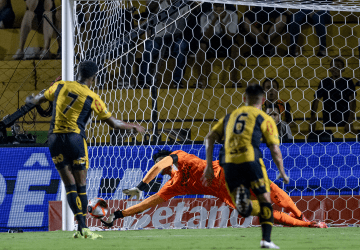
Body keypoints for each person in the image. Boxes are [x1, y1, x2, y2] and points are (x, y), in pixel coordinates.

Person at [25, 61, 146, 239]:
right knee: (81, 186)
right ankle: (85, 228)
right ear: (93, 78)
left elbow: (37, 99)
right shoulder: (92, 97)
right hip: (75, 139)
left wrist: (31, 99)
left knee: (69, 186)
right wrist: (133, 126)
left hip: (54, 139)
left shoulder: (60, 86)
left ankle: (81, 228)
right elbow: (113, 123)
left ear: (78, 73)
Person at [101, 150, 326, 229]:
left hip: (225, 173)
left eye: (162, 162)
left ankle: (302, 218)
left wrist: (140, 186)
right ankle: (307, 223)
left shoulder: (179, 157)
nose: (162, 166)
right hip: (226, 188)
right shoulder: (172, 186)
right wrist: (119, 214)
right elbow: (149, 203)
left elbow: (160, 164)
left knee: (268, 197)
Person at [203, 84, 290, 249]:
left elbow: (209, 138)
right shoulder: (264, 117)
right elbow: (274, 148)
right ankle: (266, 240)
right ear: (263, 100)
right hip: (250, 160)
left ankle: (242, 198)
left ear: (244, 99)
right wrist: (282, 172)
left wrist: (208, 166)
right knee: (264, 198)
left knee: (243, 210)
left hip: (227, 162)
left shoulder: (230, 116)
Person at [138, 0, 190, 88]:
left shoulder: (183, 4)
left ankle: (177, 81)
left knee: (182, 46)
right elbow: (149, 8)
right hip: (158, 37)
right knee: (149, 47)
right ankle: (144, 81)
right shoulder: (159, 3)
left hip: (175, 37)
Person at [195, 3, 240, 88]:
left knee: (235, 46)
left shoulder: (232, 15)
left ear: (225, 6)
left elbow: (230, 37)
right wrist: (214, 19)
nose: (218, 8)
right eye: (216, 6)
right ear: (212, 6)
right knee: (201, 46)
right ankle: (201, 80)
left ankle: (234, 78)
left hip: (225, 39)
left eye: (221, 6)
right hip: (212, 40)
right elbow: (206, 38)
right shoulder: (205, 16)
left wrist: (221, 21)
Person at [309, 58, 356, 133]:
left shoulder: (348, 81)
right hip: (328, 118)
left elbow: (352, 101)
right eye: (333, 66)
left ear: (343, 69)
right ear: (330, 69)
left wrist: (350, 120)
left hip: (344, 119)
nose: (335, 68)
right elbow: (316, 100)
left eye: (338, 66)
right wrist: (312, 119)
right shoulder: (324, 82)